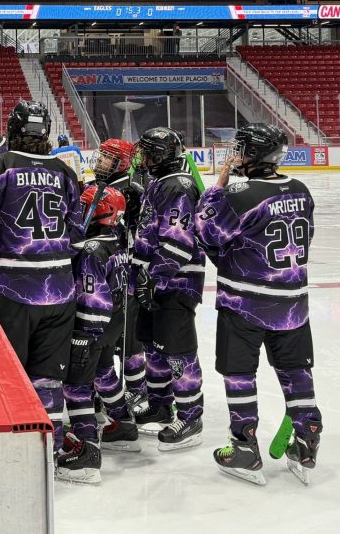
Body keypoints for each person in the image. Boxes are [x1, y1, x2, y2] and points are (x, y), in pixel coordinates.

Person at [195, 124, 322, 486]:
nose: (234, 155)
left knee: (239, 373)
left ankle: (244, 448)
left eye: (240, 149)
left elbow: (205, 231)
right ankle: (307, 440)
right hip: (293, 303)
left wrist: (216, 188)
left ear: (254, 154)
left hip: (245, 301)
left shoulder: (240, 194)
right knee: (296, 371)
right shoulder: (301, 190)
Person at [0, 101, 85, 452]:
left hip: (10, 289)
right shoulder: (65, 172)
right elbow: (77, 235)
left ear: (12, 130)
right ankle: (51, 452)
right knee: (49, 381)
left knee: (9, 377)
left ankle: (13, 455)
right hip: (60, 290)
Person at [130, 127, 205, 451]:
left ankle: (191, 416)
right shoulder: (160, 182)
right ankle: (161, 405)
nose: (142, 158)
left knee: (177, 349)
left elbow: (179, 241)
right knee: (152, 344)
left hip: (175, 282)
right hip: (155, 281)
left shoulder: (178, 185)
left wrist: (153, 278)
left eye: (148, 152)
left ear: (161, 156)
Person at [57, 184, 129, 485]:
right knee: (104, 372)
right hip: (114, 324)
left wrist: (84, 336)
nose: (80, 212)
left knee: (77, 385)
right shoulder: (117, 241)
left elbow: (92, 297)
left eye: (85, 207)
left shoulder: (91, 251)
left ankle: (87, 450)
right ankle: (124, 424)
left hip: (92, 326)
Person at [85, 139, 148, 452]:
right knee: (108, 349)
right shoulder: (97, 185)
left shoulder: (132, 189)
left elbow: (140, 232)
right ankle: (114, 400)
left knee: (128, 344)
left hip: (120, 276)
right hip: (107, 270)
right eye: (101, 156)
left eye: (108, 158)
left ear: (122, 162)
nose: (101, 161)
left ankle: (139, 394)